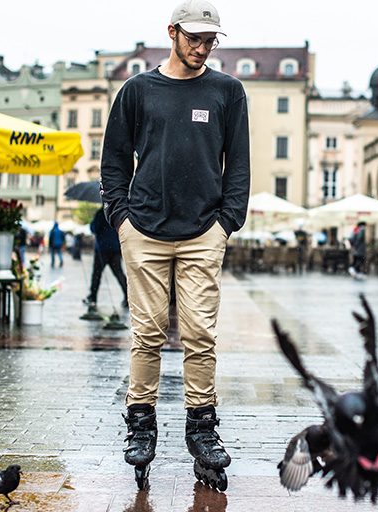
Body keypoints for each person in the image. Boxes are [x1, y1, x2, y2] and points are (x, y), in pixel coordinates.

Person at [100, 0, 250, 490]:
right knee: (145, 335)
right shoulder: (138, 91)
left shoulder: (228, 91)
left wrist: (227, 222)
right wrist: (120, 219)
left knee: (199, 335)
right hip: (142, 230)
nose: (201, 48)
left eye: (209, 40)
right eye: (193, 38)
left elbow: (239, 165)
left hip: (204, 231)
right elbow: (115, 160)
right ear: (172, 32)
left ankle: (202, 430)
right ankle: (140, 426)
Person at [83, 208, 129, 308]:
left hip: (102, 248)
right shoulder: (116, 210)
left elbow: (94, 228)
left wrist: (93, 221)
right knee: (119, 273)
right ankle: (128, 297)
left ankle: (93, 297)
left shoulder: (101, 213)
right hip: (115, 247)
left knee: (97, 274)